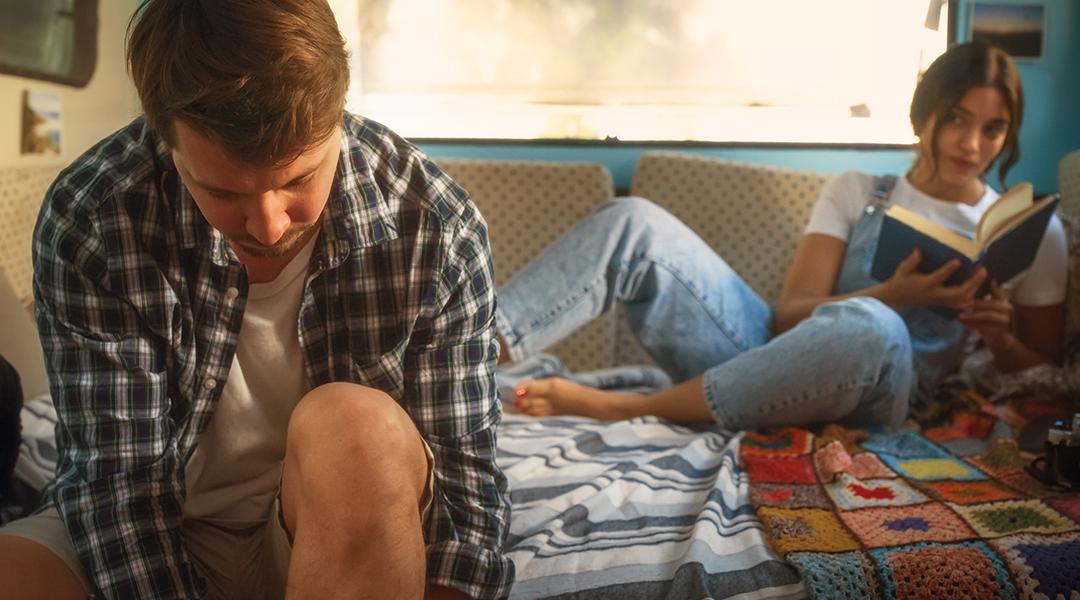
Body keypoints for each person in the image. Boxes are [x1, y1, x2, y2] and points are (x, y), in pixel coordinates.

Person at [0, 1, 512, 599]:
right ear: (166, 141)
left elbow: (465, 486)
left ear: (338, 117)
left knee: (357, 430)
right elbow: (118, 487)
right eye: (221, 191)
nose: (268, 227)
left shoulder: (436, 224)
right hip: (151, 531)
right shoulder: (93, 215)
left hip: (335, 534)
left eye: (298, 180)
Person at [497, 41, 1067, 430]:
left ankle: (632, 407)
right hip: (765, 359)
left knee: (875, 327)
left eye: (993, 128)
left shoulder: (1032, 232)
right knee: (634, 220)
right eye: (959, 119)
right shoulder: (858, 190)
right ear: (926, 116)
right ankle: (461, 354)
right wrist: (894, 293)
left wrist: (998, 338)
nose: (973, 144)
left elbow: (1038, 369)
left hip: (882, 392)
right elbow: (791, 316)